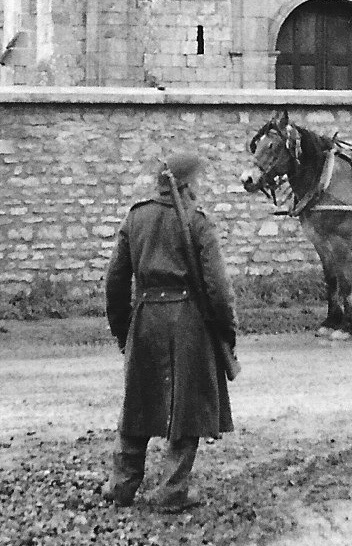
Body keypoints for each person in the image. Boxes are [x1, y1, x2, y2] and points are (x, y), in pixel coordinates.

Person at [103, 149, 238, 512]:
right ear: (188, 184)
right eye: (199, 181)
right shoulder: (198, 221)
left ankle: (121, 485)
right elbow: (219, 289)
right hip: (189, 322)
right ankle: (172, 491)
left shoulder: (136, 218)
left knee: (138, 401)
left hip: (144, 318)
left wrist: (124, 331)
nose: (201, 187)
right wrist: (228, 332)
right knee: (188, 405)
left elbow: (115, 282)